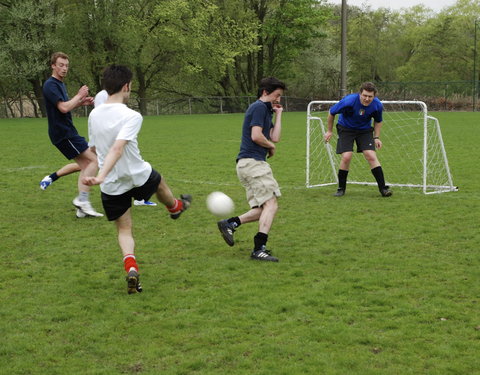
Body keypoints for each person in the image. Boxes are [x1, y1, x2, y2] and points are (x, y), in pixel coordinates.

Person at [83, 64, 192, 294]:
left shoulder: (93, 114)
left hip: (112, 184)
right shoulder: (132, 115)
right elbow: (118, 148)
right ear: (126, 86)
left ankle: (131, 267)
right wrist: (100, 175)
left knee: (124, 230)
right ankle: (174, 207)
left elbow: (94, 147)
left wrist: (101, 174)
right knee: (159, 181)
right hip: (136, 175)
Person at [217, 77, 286, 262]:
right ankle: (259, 248)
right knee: (271, 204)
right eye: (277, 95)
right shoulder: (258, 107)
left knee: (261, 209)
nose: (278, 100)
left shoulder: (266, 111)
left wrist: (279, 115)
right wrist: (270, 146)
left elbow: (275, 137)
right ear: (265, 92)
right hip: (254, 164)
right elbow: (256, 136)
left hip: (247, 165)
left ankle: (230, 223)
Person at [42, 51, 103, 217]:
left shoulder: (59, 84)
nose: (64, 69)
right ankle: (82, 200)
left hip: (67, 131)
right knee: (94, 161)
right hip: (63, 133)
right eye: (61, 65)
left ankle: (82, 208)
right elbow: (63, 108)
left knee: (86, 166)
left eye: (67, 66)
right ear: (53, 66)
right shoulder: (51, 85)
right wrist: (79, 95)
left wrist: (81, 102)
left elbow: (65, 107)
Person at [323, 82, 392, 197]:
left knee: (371, 155)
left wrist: (376, 137)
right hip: (346, 128)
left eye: (370, 96)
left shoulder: (377, 105)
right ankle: (341, 189)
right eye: (364, 95)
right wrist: (329, 131)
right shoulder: (349, 101)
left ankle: (383, 189)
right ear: (360, 93)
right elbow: (331, 112)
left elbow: (378, 121)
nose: (367, 99)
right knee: (346, 156)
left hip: (364, 130)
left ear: (374, 96)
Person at [94, 89, 157, 207]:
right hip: (116, 170)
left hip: (115, 167)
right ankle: (174, 206)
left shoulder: (104, 111)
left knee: (154, 178)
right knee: (153, 178)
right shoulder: (103, 98)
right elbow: (115, 149)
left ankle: (142, 199)